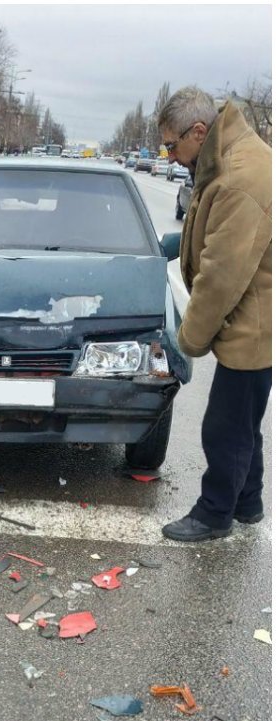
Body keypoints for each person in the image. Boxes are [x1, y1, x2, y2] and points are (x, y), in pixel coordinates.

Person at [156, 87, 272, 543]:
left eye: (171, 145)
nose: (169, 155)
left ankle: (214, 512)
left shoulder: (240, 175)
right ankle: (248, 501)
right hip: (253, 320)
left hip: (253, 325)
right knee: (243, 421)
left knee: (224, 425)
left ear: (198, 131)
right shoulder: (226, 156)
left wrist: (189, 338)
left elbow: (222, 275)